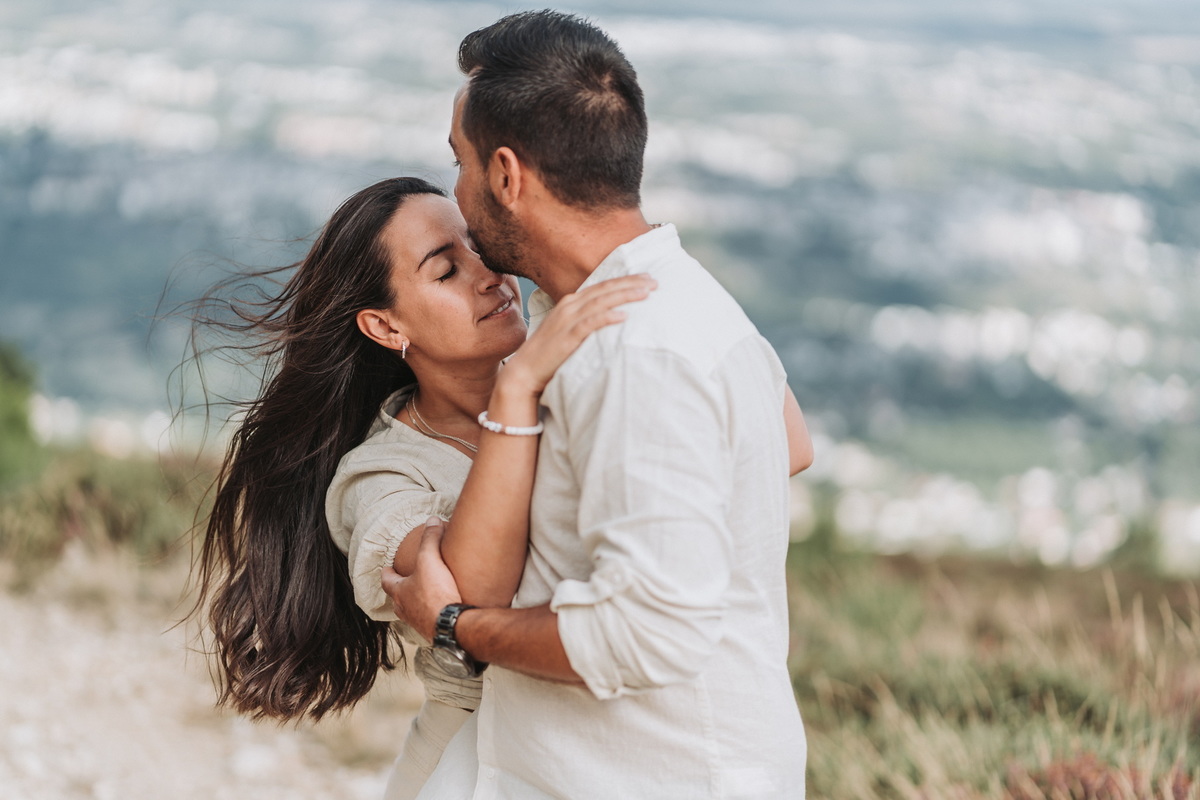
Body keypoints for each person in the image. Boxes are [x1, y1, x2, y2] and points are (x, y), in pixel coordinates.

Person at [187, 176, 812, 797]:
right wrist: (515, 395)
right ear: (384, 326)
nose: (487, 276)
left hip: (592, 752)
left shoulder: (570, 365)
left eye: (479, 251)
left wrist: (657, 274)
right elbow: (473, 590)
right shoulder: (381, 475)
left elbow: (787, 443)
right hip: (470, 764)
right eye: (445, 272)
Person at [382, 9, 811, 800]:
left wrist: (456, 626)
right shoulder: (672, 296)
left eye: (462, 165)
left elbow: (643, 634)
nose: (459, 192)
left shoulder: (629, 352)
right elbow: (791, 446)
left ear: (507, 176)